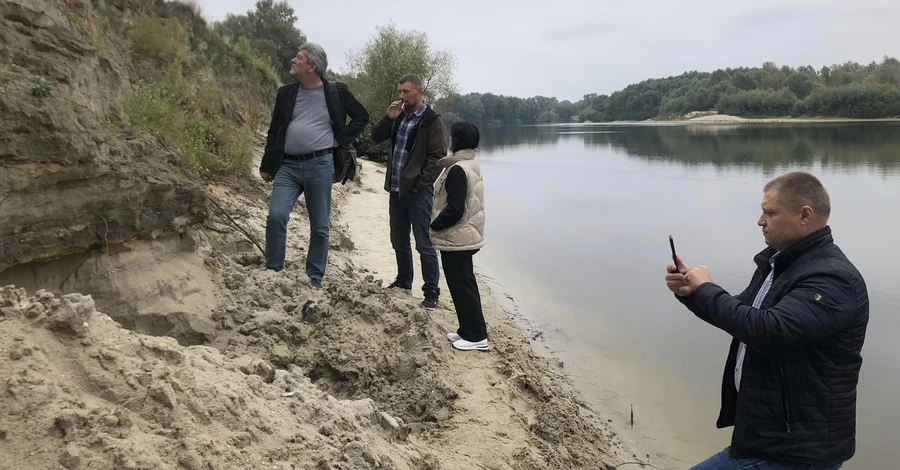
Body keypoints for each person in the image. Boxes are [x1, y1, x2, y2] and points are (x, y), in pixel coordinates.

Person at [665, 172, 869, 469]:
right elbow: (741, 318)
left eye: (769, 213)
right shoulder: (778, 264)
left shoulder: (832, 278)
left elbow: (769, 331)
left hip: (798, 451)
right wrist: (691, 293)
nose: (760, 221)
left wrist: (707, 288)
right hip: (767, 438)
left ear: (804, 215)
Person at [259, 43, 368, 288]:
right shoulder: (285, 93)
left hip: (320, 164)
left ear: (312, 67)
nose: (293, 60)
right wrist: (267, 164)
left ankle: (314, 277)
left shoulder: (337, 91)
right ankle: (273, 269)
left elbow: (362, 116)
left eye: (299, 58)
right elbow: (275, 129)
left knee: (319, 225)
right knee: (276, 216)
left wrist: (339, 139)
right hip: (287, 165)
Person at [371, 74, 448, 309]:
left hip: (418, 193)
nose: (401, 96)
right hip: (396, 190)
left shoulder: (431, 120)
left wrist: (420, 184)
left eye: (406, 92)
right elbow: (375, 138)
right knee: (398, 239)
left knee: (424, 243)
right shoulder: (399, 117)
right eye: (399, 92)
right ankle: (404, 282)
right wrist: (388, 118)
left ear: (419, 91)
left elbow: (438, 156)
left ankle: (431, 291)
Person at [430, 122, 488, 351]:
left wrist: (433, 227)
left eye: (450, 137)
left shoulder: (457, 169)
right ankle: (467, 330)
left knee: (462, 286)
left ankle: (476, 337)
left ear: (455, 141)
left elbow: (455, 209)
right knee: (463, 284)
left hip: (458, 236)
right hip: (466, 234)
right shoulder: (470, 163)